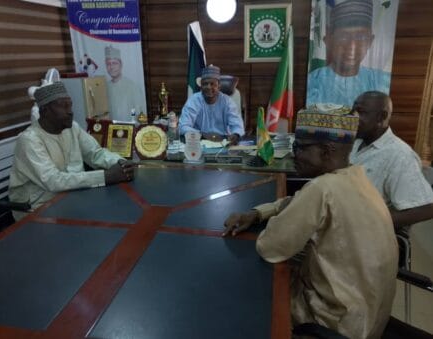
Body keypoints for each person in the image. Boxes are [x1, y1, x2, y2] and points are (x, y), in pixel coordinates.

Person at [223, 105, 398, 339]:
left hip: (332, 324)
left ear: (326, 151)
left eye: (299, 147)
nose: (294, 153)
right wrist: (257, 213)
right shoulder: (356, 177)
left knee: (238, 295)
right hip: (370, 317)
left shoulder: (321, 188)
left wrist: (275, 221)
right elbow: (297, 200)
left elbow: (270, 247)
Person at [9, 82, 136, 218]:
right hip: (37, 208)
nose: (70, 111)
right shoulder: (29, 140)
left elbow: (95, 153)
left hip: (72, 197)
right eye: (63, 106)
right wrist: (106, 176)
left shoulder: (72, 127)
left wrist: (120, 162)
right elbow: (54, 181)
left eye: (70, 105)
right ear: (44, 111)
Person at [350, 91, 433, 230]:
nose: (353, 117)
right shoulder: (354, 143)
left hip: (363, 236)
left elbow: (425, 209)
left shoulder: (399, 155)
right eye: (353, 111)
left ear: (381, 117)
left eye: (361, 112)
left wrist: (368, 224)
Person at [306, 0, 391, 107]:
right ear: (328, 41)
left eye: (361, 37)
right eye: (343, 37)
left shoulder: (382, 82)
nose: (352, 46)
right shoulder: (312, 82)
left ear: (370, 41)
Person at [179, 65, 245, 145]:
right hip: (199, 142)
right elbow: (183, 127)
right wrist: (202, 134)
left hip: (223, 142)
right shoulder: (194, 100)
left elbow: (237, 125)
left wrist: (236, 135)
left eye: (212, 84)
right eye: (205, 84)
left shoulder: (228, 102)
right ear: (201, 86)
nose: (208, 87)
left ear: (219, 86)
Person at [105, 45, 144, 121]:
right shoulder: (105, 87)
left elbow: (138, 112)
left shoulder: (132, 86)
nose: (111, 67)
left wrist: (132, 120)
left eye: (114, 63)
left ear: (121, 65)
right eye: (108, 64)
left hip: (129, 129)